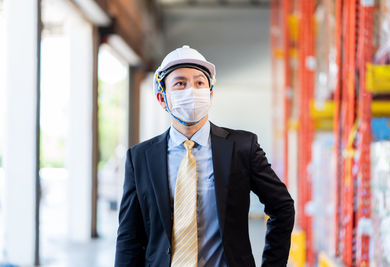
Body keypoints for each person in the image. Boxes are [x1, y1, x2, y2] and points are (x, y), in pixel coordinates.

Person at [114, 45, 295, 267]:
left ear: (210, 94)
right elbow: (129, 237)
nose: (191, 90)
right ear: (162, 98)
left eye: (199, 82)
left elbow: (282, 207)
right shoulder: (140, 158)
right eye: (180, 83)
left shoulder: (241, 147)